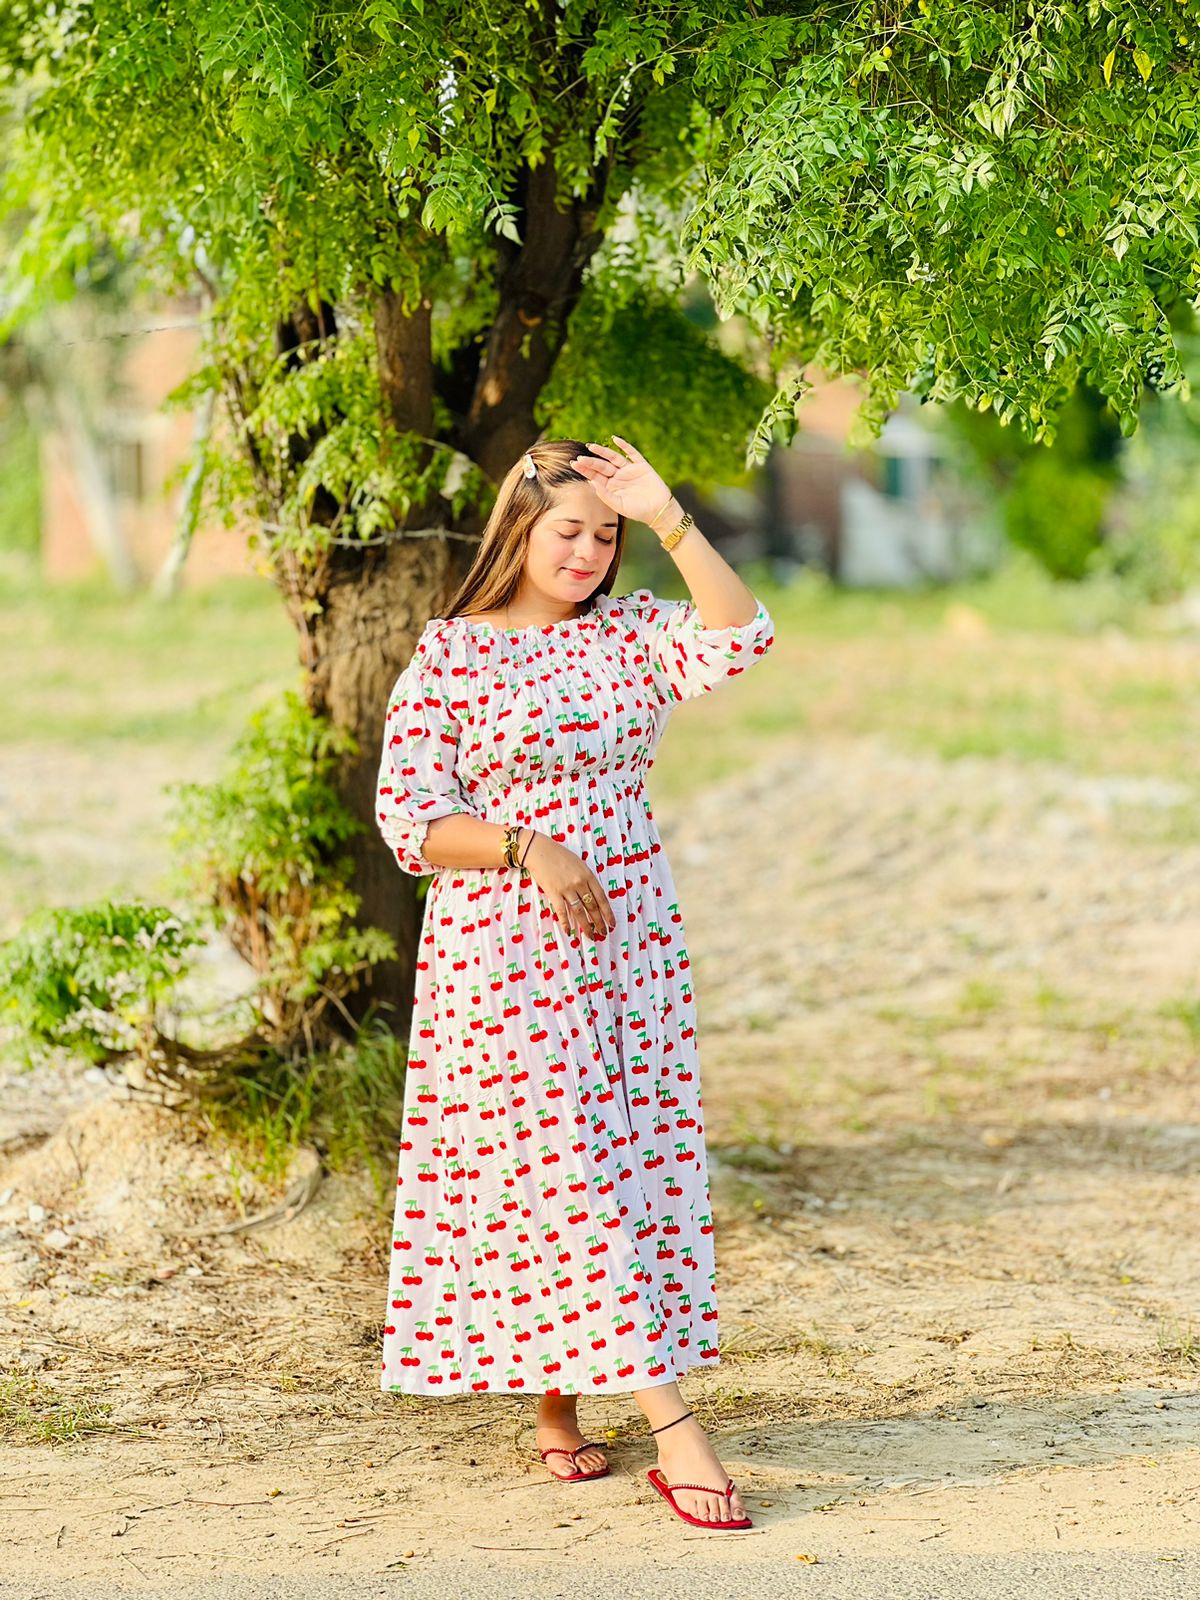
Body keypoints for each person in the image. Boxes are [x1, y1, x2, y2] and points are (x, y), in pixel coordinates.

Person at [374, 434, 774, 1530]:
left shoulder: (635, 635)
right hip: (502, 949)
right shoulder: (452, 653)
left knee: (613, 1159)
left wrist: (670, 519)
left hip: (626, 942)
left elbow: (744, 637)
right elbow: (408, 814)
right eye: (570, 531)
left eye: (606, 535)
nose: (590, 553)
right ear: (517, 530)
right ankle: (676, 1432)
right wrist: (528, 848)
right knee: (566, 1162)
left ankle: (560, 1402)